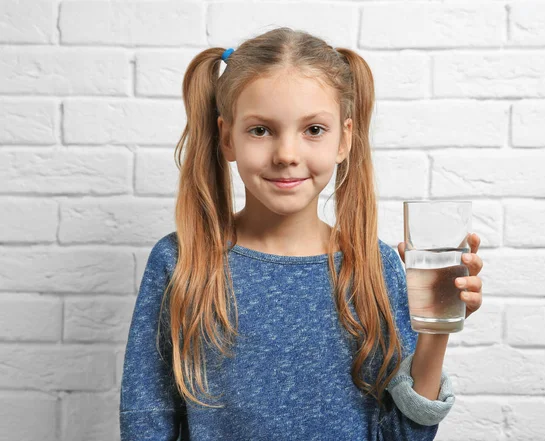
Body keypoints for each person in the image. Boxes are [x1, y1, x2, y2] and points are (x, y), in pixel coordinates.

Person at [119, 27, 484, 441]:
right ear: (227, 137)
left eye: (313, 130)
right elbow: (146, 417)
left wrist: (436, 332)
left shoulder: (376, 267)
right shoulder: (180, 262)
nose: (287, 154)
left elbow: (403, 435)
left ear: (344, 139)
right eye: (261, 130)